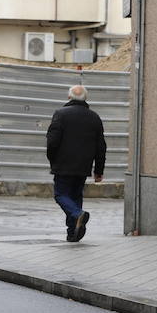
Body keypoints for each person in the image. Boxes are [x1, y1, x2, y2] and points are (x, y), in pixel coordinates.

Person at [46, 85, 106, 242]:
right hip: (83, 166)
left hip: (63, 164)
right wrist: (99, 170)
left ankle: (77, 215)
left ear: (69, 97)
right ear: (85, 98)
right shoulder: (94, 117)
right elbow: (101, 146)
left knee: (61, 195)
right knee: (75, 196)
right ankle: (73, 231)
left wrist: (53, 160)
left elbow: (52, 142)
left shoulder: (60, 114)